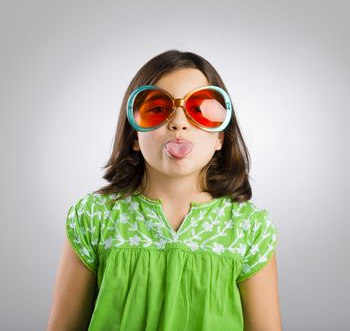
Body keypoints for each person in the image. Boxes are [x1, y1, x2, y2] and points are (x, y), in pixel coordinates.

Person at [47, 49, 282, 330]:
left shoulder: (249, 227)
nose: (178, 123)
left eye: (201, 110)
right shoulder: (94, 218)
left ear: (220, 136)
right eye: (157, 109)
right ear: (134, 135)